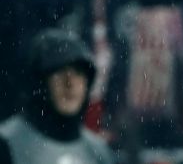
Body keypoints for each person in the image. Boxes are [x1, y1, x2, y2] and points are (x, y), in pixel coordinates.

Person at [0, 29, 115, 164]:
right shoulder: (6, 144)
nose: (70, 83)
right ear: (39, 81)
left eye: (78, 72)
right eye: (59, 71)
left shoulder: (100, 153)